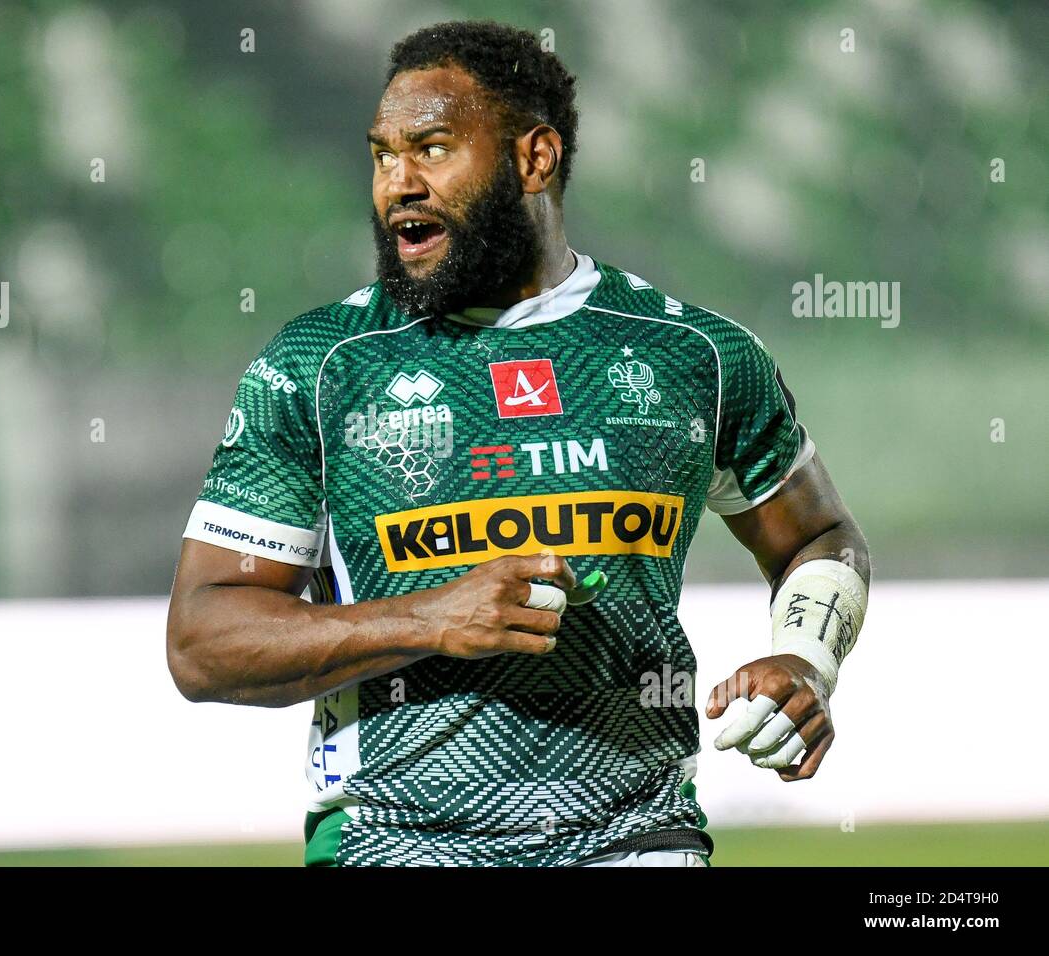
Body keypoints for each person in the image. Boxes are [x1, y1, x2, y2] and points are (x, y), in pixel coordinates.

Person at [167, 20, 870, 867]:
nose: (398, 185)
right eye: (383, 154)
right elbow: (204, 642)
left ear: (534, 159)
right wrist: (428, 617)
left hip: (636, 836)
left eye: (431, 148)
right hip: (395, 840)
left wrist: (804, 660)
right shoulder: (317, 368)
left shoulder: (694, 355)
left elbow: (818, 536)